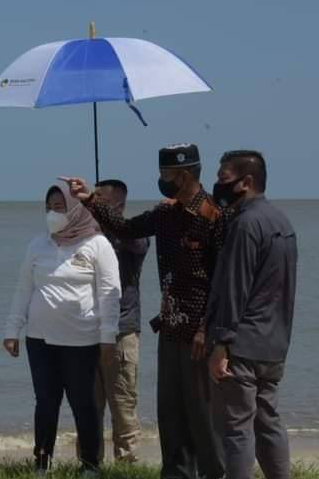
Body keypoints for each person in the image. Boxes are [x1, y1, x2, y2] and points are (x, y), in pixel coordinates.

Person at [61, 143, 227, 479]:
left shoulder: (214, 217)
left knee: (202, 413)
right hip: (169, 328)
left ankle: (215, 473)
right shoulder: (165, 214)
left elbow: (224, 281)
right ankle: (176, 474)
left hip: (199, 332)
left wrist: (207, 330)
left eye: (166, 174)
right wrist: (90, 200)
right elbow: (126, 228)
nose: (161, 180)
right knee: (171, 411)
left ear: (183, 175)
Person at [3, 183, 121, 477]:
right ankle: (42, 462)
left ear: (75, 209)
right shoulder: (38, 244)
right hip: (40, 340)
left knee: (83, 402)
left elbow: (110, 291)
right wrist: (12, 329)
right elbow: (23, 288)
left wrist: (108, 336)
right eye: (49, 208)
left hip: (82, 340)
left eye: (60, 208)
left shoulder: (97, 244)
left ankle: (90, 465)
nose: (53, 214)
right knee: (45, 402)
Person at [205, 150, 297, 479]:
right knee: (268, 422)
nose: (217, 185)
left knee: (236, 429)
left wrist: (220, 345)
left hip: (241, 345)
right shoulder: (281, 221)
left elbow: (234, 288)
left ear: (246, 182)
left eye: (223, 178)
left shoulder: (245, 224)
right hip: (274, 343)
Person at [88, 179, 150, 463]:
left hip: (122, 332)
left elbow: (136, 242)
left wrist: (107, 225)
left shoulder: (132, 236)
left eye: (101, 201)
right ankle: (90, 464)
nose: (93, 204)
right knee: (88, 407)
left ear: (119, 205)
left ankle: (128, 464)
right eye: (92, 200)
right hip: (87, 332)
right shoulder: (86, 235)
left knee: (123, 406)